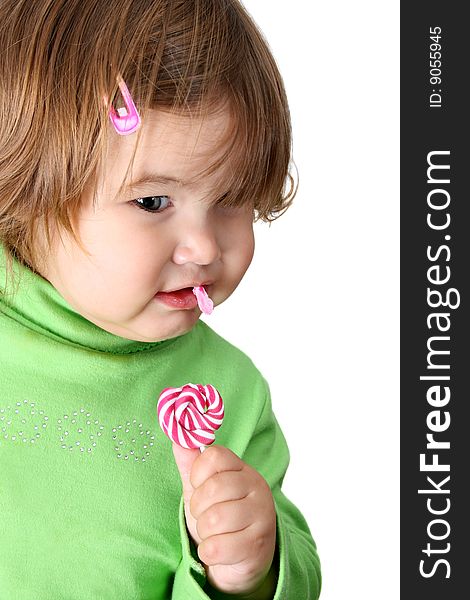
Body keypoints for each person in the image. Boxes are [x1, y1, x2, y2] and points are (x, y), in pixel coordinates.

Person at [0, 1, 321, 598]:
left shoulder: (227, 393)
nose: (202, 248)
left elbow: (290, 580)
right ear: (24, 186)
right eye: (152, 203)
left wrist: (248, 569)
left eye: (232, 198)